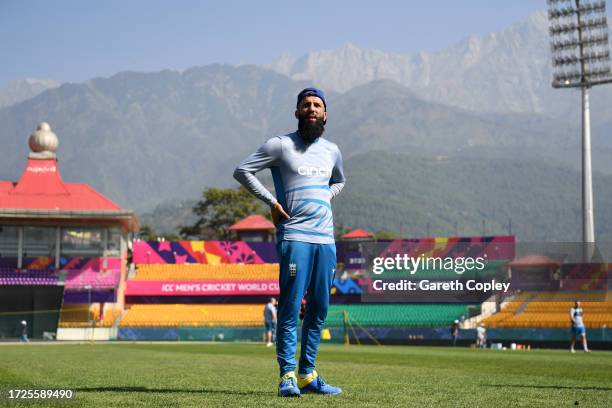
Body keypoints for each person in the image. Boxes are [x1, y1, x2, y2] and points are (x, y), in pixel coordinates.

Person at [234, 87, 345, 397]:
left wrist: (327, 195)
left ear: (325, 114)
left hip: (326, 239)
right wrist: (270, 200)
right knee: (292, 304)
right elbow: (242, 171)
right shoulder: (280, 146)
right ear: (297, 112)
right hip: (295, 236)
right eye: (306, 105)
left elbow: (339, 181)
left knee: (320, 307)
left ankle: (309, 374)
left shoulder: (332, 151)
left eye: (317, 105)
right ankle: (287, 376)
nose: (311, 109)